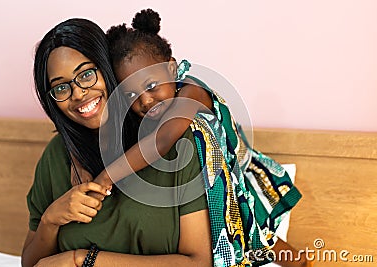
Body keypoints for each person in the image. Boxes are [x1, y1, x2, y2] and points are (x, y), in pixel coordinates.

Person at [75, 8, 313, 267]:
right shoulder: (148, 111)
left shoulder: (192, 91)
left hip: (229, 176)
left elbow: (163, 140)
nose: (145, 100)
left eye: (151, 86)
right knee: (238, 241)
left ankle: (300, 263)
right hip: (204, 185)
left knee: (257, 235)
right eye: (131, 95)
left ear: (171, 68)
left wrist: (106, 177)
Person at [21, 17, 212, 267]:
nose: (78, 93)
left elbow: (199, 263)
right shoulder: (56, 156)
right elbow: (31, 263)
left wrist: (84, 260)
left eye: (86, 74)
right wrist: (51, 220)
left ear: (107, 68)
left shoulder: (180, 140)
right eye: (60, 88)